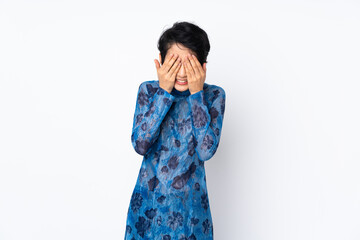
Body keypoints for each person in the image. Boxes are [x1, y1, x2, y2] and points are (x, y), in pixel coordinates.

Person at [124, 21, 226, 240]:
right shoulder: (149, 91)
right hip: (147, 212)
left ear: (203, 65)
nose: (181, 73)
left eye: (189, 64)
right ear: (160, 63)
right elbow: (140, 144)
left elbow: (206, 151)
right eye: (173, 63)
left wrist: (197, 95)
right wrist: (163, 92)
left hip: (192, 216)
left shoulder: (214, 96)